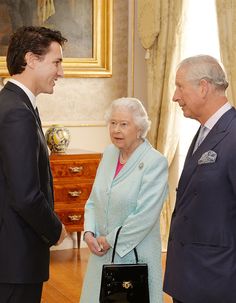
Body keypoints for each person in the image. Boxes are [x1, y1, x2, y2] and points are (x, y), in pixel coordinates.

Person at [0, 26, 68, 303]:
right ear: (31, 59)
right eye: (57, 62)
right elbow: (26, 195)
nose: (61, 72)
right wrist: (56, 230)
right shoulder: (17, 112)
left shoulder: (12, 104)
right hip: (15, 258)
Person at [80, 97, 168, 303]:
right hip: (101, 254)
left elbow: (145, 216)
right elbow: (94, 199)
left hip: (136, 257)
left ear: (139, 128)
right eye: (112, 123)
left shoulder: (154, 162)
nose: (116, 130)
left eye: (123, 124)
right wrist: (89, 233)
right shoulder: (109, 153)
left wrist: (110, 240)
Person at [163, 55, 236, 303]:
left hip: (217, 280)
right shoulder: (204, 131)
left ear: (203, 87)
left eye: (180, 86)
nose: (175, 97)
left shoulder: (233, 134)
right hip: (190, 278)